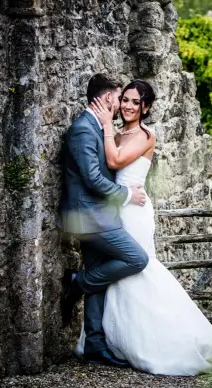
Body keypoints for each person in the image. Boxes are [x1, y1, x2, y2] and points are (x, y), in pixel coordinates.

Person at [74, 79, 212, 375]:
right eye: (125, 100)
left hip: (134, 211)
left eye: (134, 102)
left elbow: (114, 162)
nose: (127, 106)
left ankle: (163, 340)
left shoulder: (145, 135)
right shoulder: (118, 132)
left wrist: (104, 124)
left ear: (146, 107)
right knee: (119, 275)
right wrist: (108, 129)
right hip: (115, 211)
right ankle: (114, 340)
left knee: (141, 269)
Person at [59, 74, 149, 368]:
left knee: (98, 277)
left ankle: (95, 346)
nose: (122, 103)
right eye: (119, 97)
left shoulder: (99, 128)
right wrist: (125, 195)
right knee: (137, 258)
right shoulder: (84, 130)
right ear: (108, 98)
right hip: (90, 218)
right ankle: (77, 281)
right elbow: (93, 178)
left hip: (100, 215)